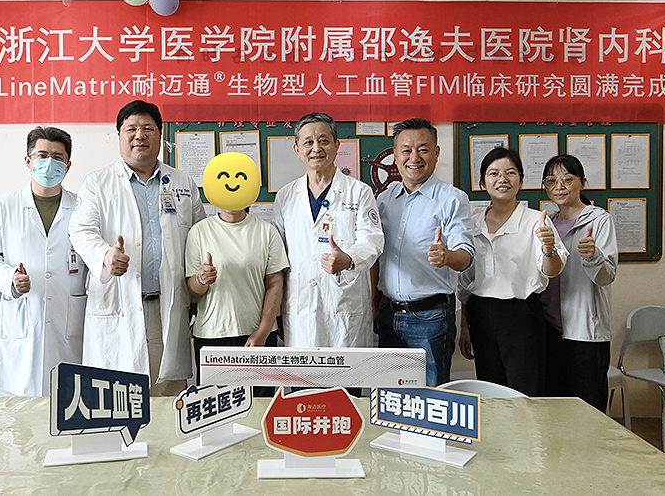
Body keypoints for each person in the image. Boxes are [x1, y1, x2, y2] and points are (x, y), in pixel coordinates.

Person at [69, 100, 205, 396]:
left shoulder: (182, 182)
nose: (139, 135)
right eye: (131, 129)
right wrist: (105, 255)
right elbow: (80, 230)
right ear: (119, 135)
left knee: (167, 394)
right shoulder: (97, 183)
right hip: (118, 302)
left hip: (167, 306)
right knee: (116, 395)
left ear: (160, 135)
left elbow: (199, 236)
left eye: (147, 128)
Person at [0, 127, 87, 396]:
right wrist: (9, 278)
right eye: (42, 155)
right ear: (28, 161)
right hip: (22, 316)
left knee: (67, 398)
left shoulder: (82, 207)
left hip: (68, 318)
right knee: (20, 403)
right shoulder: (5, 205)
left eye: (58, 157)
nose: (49, 163)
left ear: (68, 165)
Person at [371, 119, 474, 387]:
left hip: (431, 318)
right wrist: (373, 304)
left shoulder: (452, 199)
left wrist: (446, 256)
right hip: (388, 313)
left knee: (431, 396)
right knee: (390, 396)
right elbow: (375, 256)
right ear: (395, 155)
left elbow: (466, 256)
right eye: (406, 150)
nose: (414, 157)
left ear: (437, 153)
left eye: (423, 149)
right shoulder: (383, 200)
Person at [458, 147, 568, 396]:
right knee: (489, 390)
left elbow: (552, 271)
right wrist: (464, 326)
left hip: (521, 315)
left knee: (524, 391)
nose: (502, 179)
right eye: (493, 173)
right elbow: (465, 282)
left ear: (521, 180)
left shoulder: (536, 221)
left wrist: (549, 247)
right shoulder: (473, 223)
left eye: (510, 173)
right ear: (482, 182)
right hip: (480, 313)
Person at [272, 112, 384, 348]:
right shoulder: (285, 196)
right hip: (299, 308)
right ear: (297, 150)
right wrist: (276, 310)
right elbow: (277, 256)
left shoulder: (359, 192)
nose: (316, 148)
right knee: (304, 372)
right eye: (308, 142)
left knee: (347, 372)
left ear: (337, 145)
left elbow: (372, 240)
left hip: (344, 308)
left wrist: (349, 259)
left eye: (323, 140)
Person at [186, 152, 289, 386]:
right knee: (216, 403)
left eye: (241, 178)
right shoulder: (199, 231)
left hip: (257, 335)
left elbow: (275, 283)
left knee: (260, 404)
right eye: (223, 178)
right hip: (212, 335)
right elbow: (192, 288)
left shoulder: (266, 231)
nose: (232, 183)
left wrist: (263, 331)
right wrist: (202, 279)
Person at [540, 154, 618, 411]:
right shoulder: (547, 223)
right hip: (549, 327)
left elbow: (607, 275)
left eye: (567, 179)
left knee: (588, 408)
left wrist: (593, 256)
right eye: (551, 180)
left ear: (582, 182)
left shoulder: (598, 220)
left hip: (584, 330)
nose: (559, 186)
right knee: (555, 407)